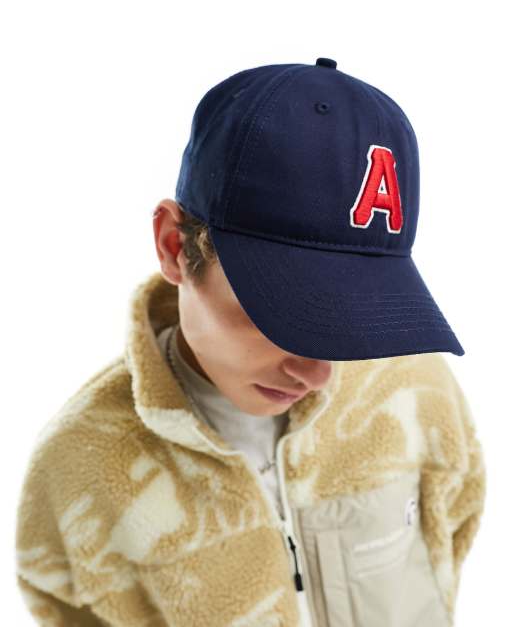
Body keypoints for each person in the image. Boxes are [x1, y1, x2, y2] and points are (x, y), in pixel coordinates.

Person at [15, 58, 486, 627]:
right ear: (173, 246)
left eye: (357, 311)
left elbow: (450, 540)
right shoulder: (78, 465)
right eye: (278, 313)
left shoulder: (412, 387)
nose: (320, 374)